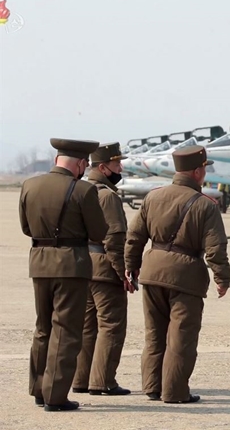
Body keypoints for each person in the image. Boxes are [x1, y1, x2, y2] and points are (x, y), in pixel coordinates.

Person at [125, 145, 230, 404]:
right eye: (204, 168)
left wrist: (131, 265)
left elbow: (135, 236)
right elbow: (215, 247)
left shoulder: (153, 197)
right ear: (197, 171)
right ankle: (174, 392)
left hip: (152, 272)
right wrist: (222, 278)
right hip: (185, 277)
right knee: (181, 337)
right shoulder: (205, 205)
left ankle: (152, 386)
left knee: (154, 334)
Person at [19, 138, 108, 411]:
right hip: (71, 264)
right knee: (66, 330)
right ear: (81, 163)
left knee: (43, 326)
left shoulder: (29, 185)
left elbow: (25, 227)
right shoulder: (82, 190)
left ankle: (39, 388)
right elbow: (99, 232)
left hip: (40, 262)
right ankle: (55, 396)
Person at [73, 142, 134, 397]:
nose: (120, 168)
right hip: (104, 268)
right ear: (103, 167)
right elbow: (115, 239)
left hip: (82, 265)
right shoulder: (107, 196)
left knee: (86, 327)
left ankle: (81, 379)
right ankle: (103, 381)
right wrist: (124, 274)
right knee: (111, 325)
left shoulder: (80, 190)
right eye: (116, 164)